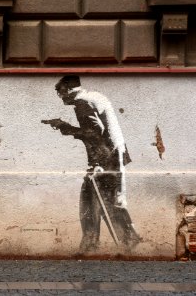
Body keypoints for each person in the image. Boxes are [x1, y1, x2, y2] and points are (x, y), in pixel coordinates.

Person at [42, 75, 141, 253]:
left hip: (105, 158)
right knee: (105, 200)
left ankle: (95, 243)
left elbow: (93, 134)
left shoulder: (82, 103)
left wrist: (66, 127)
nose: (61, 98)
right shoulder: (94, 97)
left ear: (68, 90)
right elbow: (100, 131)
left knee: (91, 200)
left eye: (61, 93)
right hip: (113, 154)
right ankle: (119, 239)